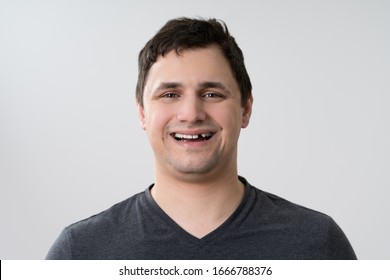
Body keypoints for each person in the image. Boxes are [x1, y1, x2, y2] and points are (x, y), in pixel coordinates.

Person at [46, 17, 356, 260]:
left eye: (211, 93)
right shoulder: (80, 252)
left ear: (245, 108)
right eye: (170, 94)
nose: (191, 113)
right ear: (142, 113)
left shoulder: (317, 243)